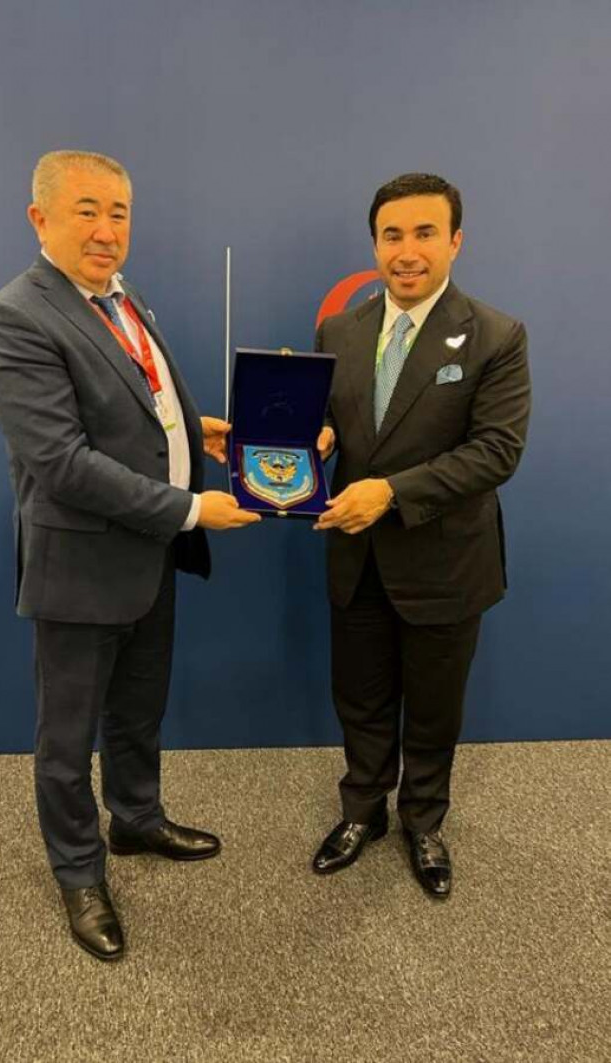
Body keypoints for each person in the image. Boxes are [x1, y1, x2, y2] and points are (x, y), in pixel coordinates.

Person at [0, 150, 259, 960]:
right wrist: (192, 507)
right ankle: (79, 871)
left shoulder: (119, 297)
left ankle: (135, 818)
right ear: (40, 219)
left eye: (119, 213)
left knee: (138, 708)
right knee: (66, 740)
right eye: (87, 211)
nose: (106, 230)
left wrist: (194, 431)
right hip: (81, 565)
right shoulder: (14, 318)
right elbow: (63, 464)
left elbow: (141, 401)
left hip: (148, 556)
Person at [312, 173, 530, 898]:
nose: (407, 251)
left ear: (455, 241)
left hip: (445, 561)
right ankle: (362, 810)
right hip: (357, 556)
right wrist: (313, 439)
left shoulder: (496, 336)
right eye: (392, 235)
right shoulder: (338, 332)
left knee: (434, 707)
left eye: (425, 233)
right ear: (375, 245)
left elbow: (495, 451)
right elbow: (339, 426)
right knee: (361, 697)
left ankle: (424, 820)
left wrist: (391, 493)